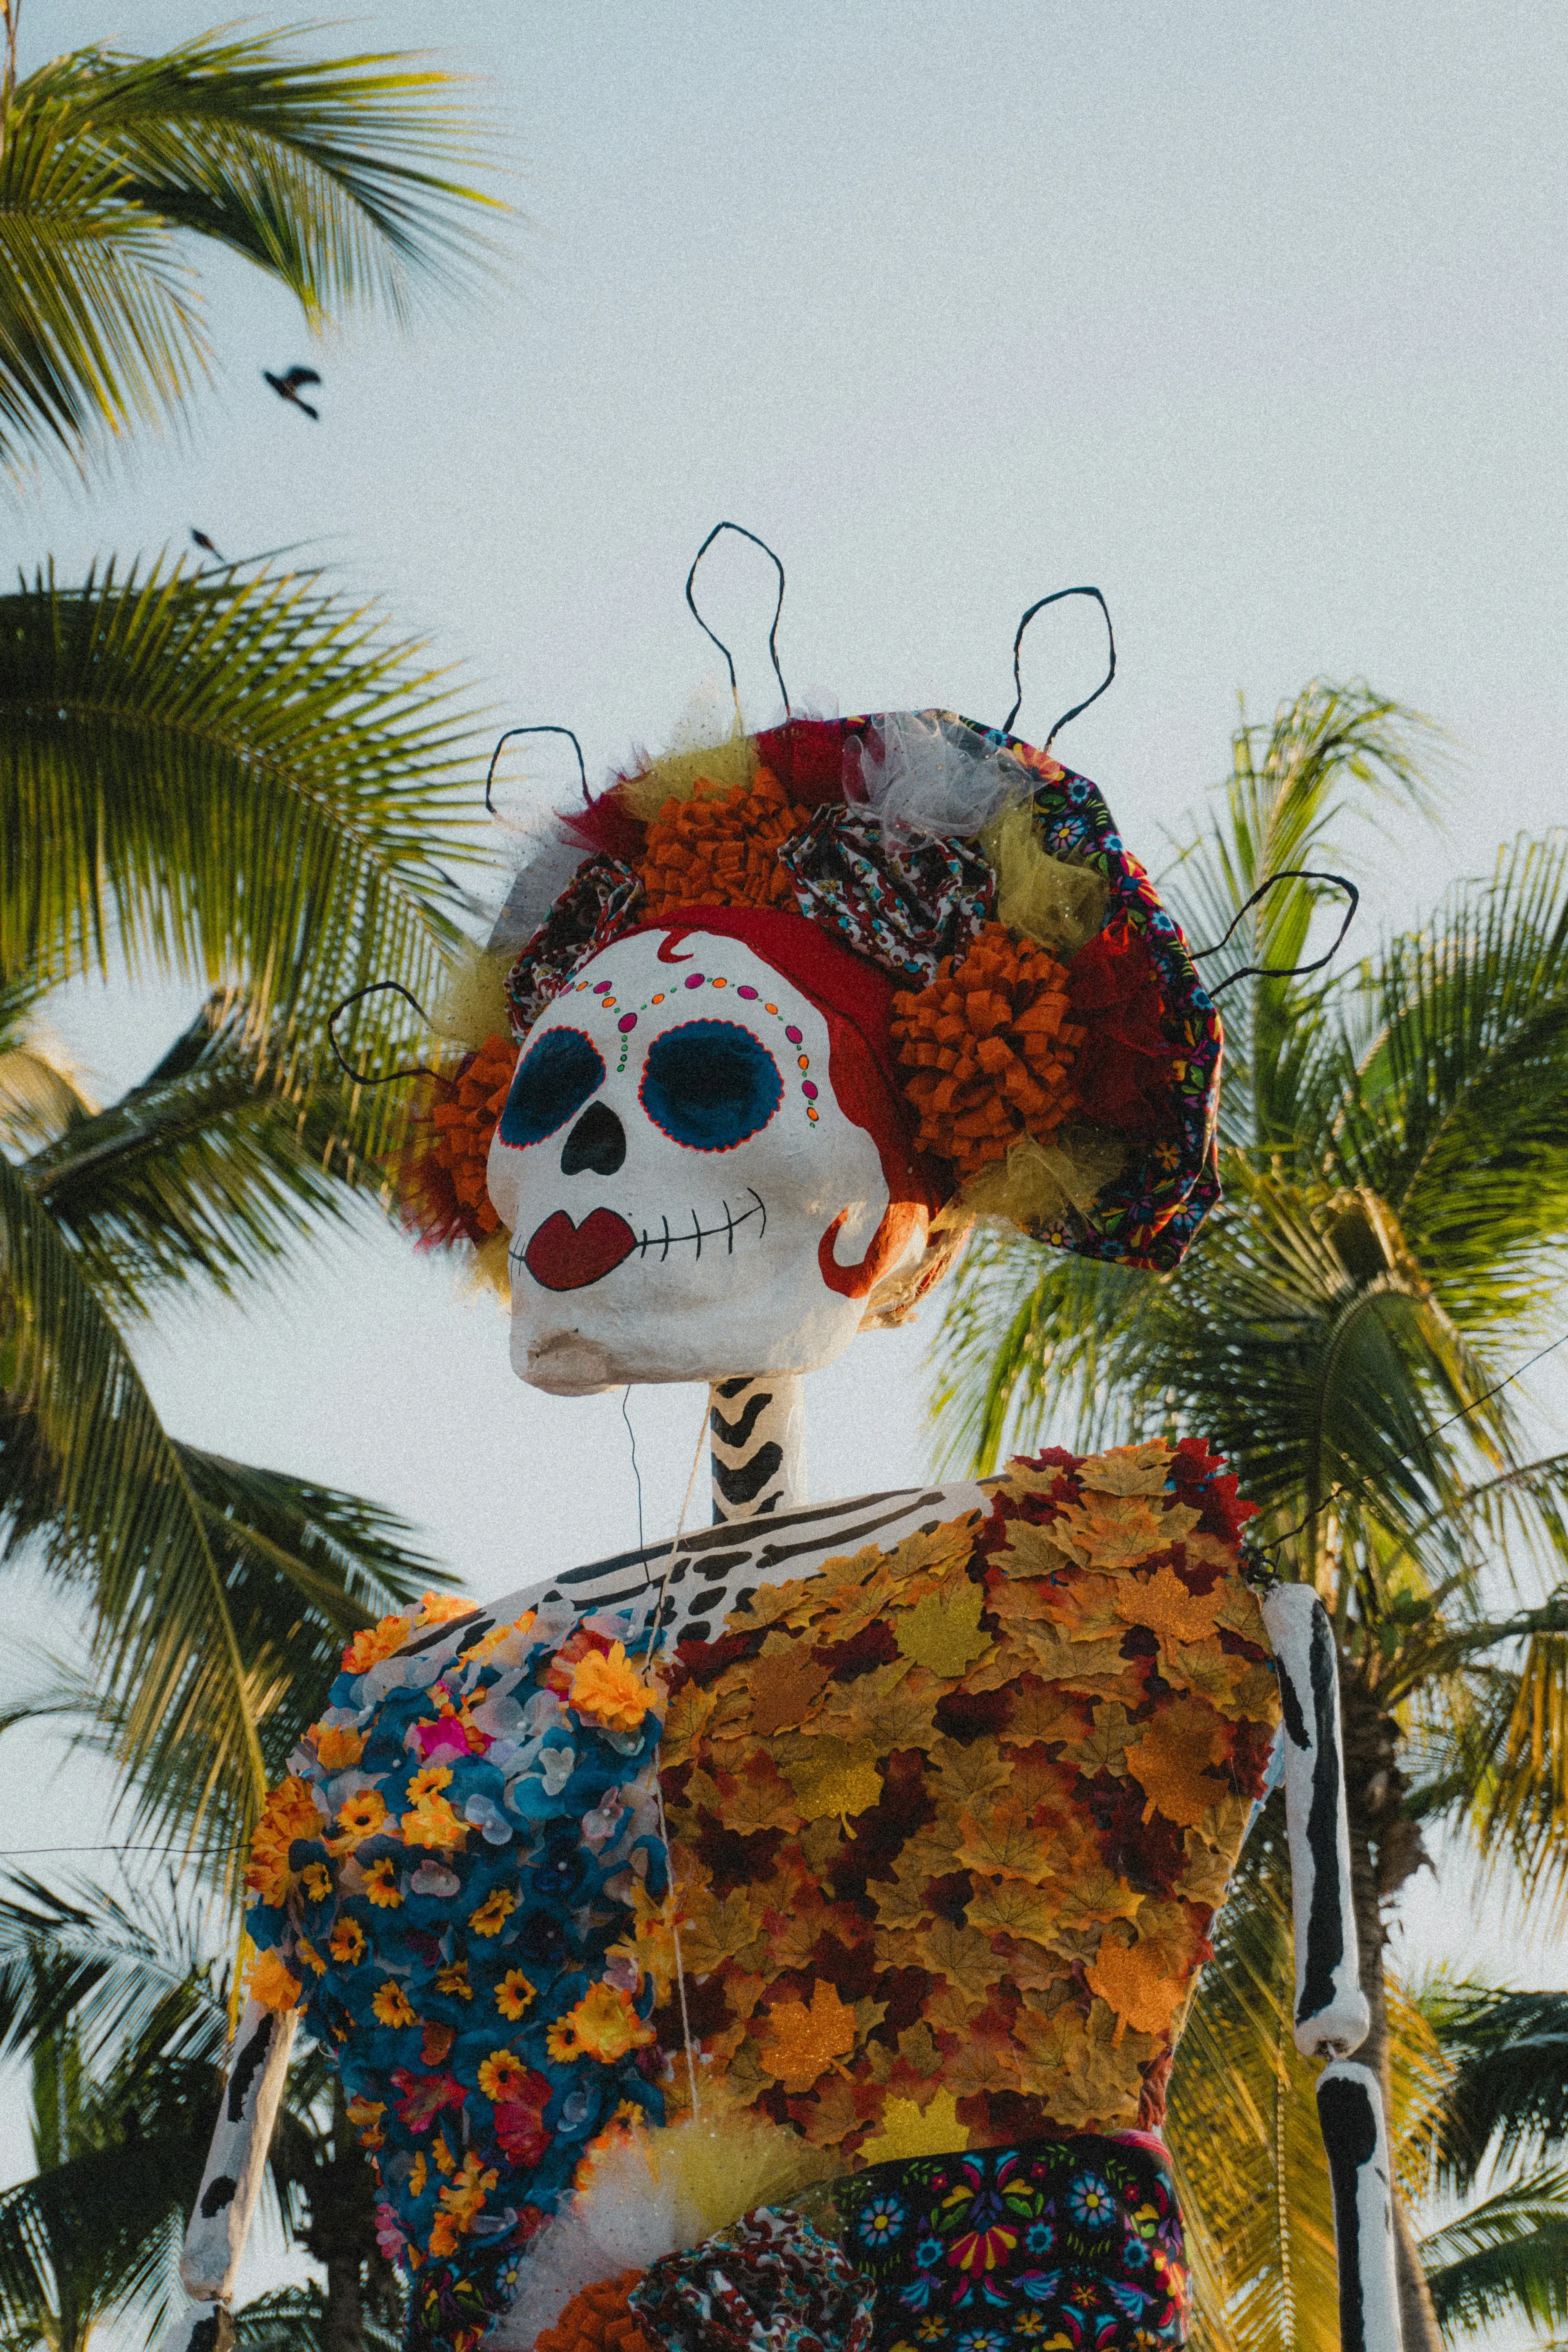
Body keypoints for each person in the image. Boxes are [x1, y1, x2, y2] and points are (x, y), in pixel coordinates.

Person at [166, 701, 1396, 2352]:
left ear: (891, 1208)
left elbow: (1345, 2087)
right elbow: (211, 2262)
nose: (595, 1155)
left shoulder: (1129, 1586)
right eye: (551, 1099)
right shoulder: (395, 1718)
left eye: (712, 1075)